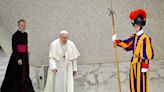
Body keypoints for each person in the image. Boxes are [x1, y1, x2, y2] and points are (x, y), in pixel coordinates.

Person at [113, 9, 154, 92]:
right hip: (133, 63)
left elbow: (148, 54)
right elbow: (127, 44)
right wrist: (117, 42)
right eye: (134, 25)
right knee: (133, 85)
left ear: (141, 25)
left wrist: (145, 66)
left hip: (141, 64)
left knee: (141, 85)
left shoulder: (145, 38)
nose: (135, 26)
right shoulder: (134, 37)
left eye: (136, 25)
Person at [1, 19, 35, 92]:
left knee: (25, 72)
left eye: (24, 25)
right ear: (19, 25)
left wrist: (27, 55)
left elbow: (25, 45)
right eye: (22, 25)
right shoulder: (15, 35)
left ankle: (25, 88)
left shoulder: (26, 34)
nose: (23, 26)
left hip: (24, 56)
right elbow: (14, 48)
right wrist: (18, 59)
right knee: (17, 73)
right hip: (18, 56)